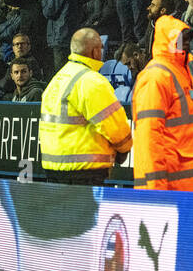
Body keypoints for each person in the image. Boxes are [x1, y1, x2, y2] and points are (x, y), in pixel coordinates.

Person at [132, 14, 193, 191]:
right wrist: (154, 191)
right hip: (178, 190)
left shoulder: (183, 73)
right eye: (180, 38)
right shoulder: (156, 77)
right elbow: (149, 137)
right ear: (167, 41)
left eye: (188, 38)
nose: (186, 42)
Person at [39, 28, 133, 184]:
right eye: (101, 48)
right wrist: (124, 148)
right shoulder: (91, 81)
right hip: (83, 172)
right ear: (95, 52)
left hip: (53, 169)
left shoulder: (58, 78)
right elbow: (113, 124)